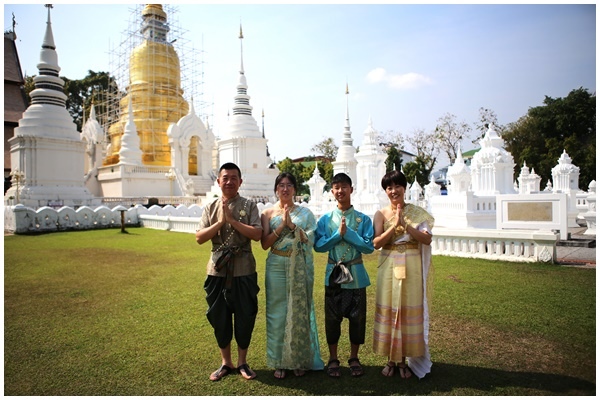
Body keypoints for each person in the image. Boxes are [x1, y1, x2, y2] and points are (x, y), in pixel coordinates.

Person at [196, 162, 262, 382]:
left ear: (240, 182)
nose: (230, 182)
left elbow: (257, 234)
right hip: (217, 270)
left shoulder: (249, 205)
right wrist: (221, 222)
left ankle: (242, 362)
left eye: (234, 178)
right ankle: (226, 363)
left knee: (245, 315)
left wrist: (232, 221)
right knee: (219, 317)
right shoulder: (210, 207)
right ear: (218, 181)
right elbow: (200, 237)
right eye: (225, 177)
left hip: (244, 268)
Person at [261, 172, 324, 379]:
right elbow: (264, 244)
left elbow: (311, 240)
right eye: (281, 185)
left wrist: (293, 226)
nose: (285, 189)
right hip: (276, 265)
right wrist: (281, 226)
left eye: (289, 185)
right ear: (276, 189)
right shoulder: (268, 214)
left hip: (299, 265)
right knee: (276, 313)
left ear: (295, 189)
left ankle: (298, 358)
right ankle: (279, 361)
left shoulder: (305, 214)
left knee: (299, 310)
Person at [372, 169, 435, 379]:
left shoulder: (417, 213)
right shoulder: (381, 214)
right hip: (389, 263)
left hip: (412, 265)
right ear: (385, 191)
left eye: (397, 186)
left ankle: (406, 359)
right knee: (391, 309)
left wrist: (406, 224)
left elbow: (427, 239)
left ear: (404, 188)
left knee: (408, 310)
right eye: (389, 187)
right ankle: (391, 360)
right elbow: (376, 242)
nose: (393, 190)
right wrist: (394, 226)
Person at [314, 172, 374, 378]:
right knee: (332, 319)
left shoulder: (363, 219)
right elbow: (319, 246)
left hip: (356, 275)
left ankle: (354, 357)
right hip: (333, 274)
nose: (340, 191)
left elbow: (368, 247)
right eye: (336, 187)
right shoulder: (325, 220)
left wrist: (348, 234)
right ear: (332, 191)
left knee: (357, 319)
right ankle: (333, 358)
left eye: (344, 187)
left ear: (351, 189)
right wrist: (337, 235)